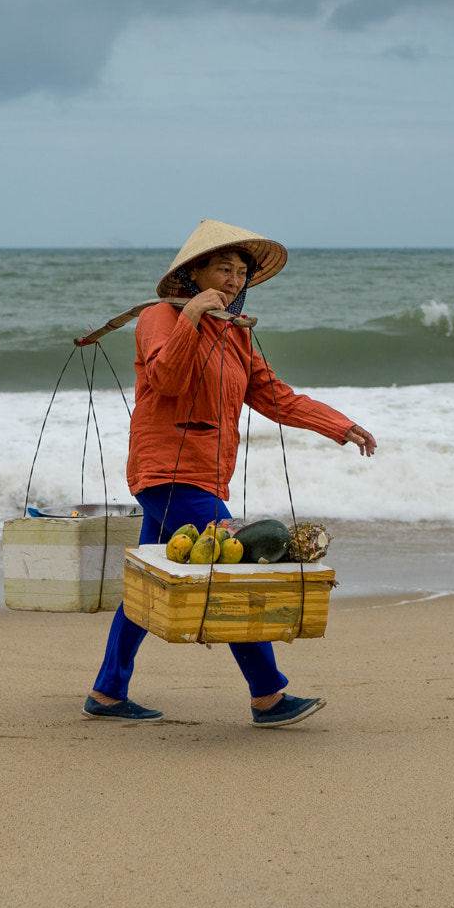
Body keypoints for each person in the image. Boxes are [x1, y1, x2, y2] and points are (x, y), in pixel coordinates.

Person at [87, 220, 377, 727]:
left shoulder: (236, 337)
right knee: (234, 571)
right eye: (224, 268)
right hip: (165, 470)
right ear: (193, 273)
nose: (234, 280)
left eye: (242, 272)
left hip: (204, 474)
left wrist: (340, 425)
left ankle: (108, 692)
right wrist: (191, 319)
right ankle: (267, 695)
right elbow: (165, 378)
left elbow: (276, 397)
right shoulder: (158, 317)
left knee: (149, 582)